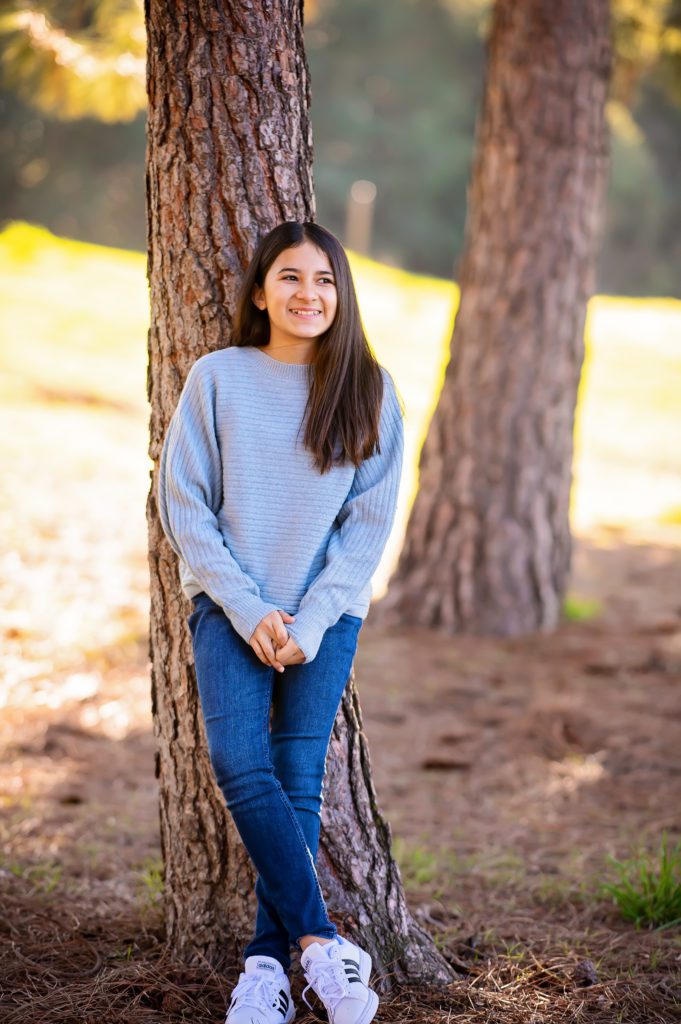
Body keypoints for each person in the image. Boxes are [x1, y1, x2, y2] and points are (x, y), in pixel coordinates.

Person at [157, 220, 404, 1024]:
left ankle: (264, 968)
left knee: (299, 779)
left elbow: (366, 529)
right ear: (259, 293)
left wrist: (311, 616)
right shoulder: (218, 377)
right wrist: (251, 607)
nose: (309, 294)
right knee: (238, 762)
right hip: (230, 607)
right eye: (291, 278)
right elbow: (184, 504)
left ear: (342, 294)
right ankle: (322, 946)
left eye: (325, 280)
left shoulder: (367, 388)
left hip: (325, 617)